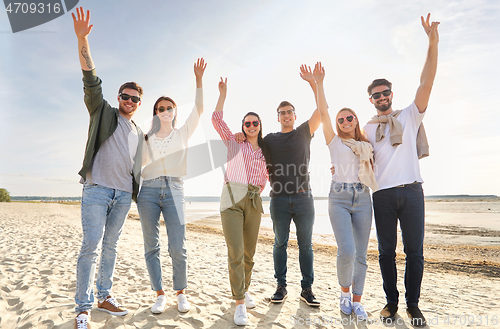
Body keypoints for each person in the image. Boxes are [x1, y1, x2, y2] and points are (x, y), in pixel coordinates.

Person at [362, 14, 439, 328]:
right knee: (385, 253)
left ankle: (413, 305)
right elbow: (354, 156)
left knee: (415, 252)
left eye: (385, 93)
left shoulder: (409, 115)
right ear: (371, 100)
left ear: (391, 94)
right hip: (381, 196)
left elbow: (427, 81)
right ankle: (391, 303)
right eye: (376, 95)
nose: (381, 98)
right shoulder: (366, 128)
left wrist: (432, 40)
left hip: (411, 192)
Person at [72, 7, 143, 329]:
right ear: (118, 97)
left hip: (123, 195)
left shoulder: (139, 131)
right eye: (125, 97)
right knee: (91, 246)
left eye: (134, 99)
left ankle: (105, 295)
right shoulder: (103, 111)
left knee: (111, 247)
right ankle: (83, 307)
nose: (129, 101)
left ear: (140, 103)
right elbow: (90, 80)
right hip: (97, 189)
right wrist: (82, 39)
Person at [137, 58, 206, 314]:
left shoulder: (182, 133)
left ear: (174, 111)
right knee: (151, 245)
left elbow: (199, 110)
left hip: (175, 190)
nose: (165, 110)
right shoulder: (147, 138)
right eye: (161, 107)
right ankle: (159, 294)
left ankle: (180, 293)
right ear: (156, 112)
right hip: (149, 192)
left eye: (169, 107)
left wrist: (198, 80)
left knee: (178, 246)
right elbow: (136, 166)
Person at [312, 62, 378, 320]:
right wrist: (319, 83)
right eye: (341, 119)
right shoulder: (334, 141)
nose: (344, 121)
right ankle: (344, 294)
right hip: (338, 197)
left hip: (363, 197)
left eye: (349, 117)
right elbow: (324, 112)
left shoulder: (366, 144)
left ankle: (358, 300)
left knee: (361, 253)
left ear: (356, 120)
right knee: (347, 251)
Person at [211, 77, 269, 326]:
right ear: (243, 126)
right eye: (247, 123)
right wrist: (223, 94)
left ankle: (243, 289)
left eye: (255, 123)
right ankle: (239, 303)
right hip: (232, 197)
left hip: (255, 199)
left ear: (260, 125)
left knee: (249, 252)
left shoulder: (268, 150)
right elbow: (216, 119)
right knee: (235, 250)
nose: (251, 126)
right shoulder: (234, 141)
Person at [264, 65, 322, 307]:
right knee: (280, 243)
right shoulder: (269, 139)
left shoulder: (303, 132)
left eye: (290, 112)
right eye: (282, 112)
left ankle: (307, 289)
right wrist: (238, 134)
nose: (286, 115)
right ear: (277, 117)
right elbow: (249, 142)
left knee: (306, 245)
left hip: (303, 198)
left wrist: (315, 84)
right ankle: (281, 286)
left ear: (295, 116)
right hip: (278, 199)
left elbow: (323, 111)